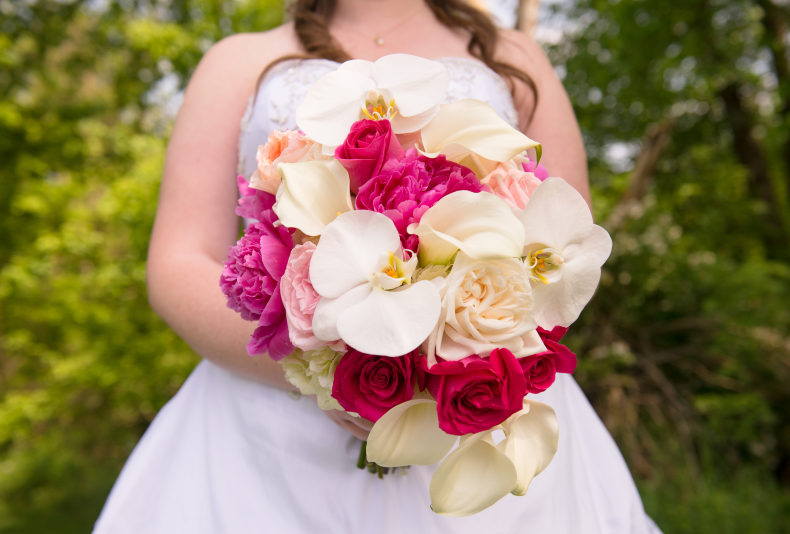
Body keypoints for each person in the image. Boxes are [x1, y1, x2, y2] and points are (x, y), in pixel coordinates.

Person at [93, 0, 662, 532]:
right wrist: (328, 369)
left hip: (480, 411)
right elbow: (178, 262)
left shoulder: (514, 58)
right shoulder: (238, 59)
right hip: (266, 442)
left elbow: (568, 249)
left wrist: (443, 363)